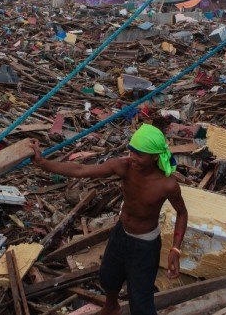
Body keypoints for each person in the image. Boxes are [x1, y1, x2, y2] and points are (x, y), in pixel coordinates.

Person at [30, 123, 188, 315]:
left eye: (140, 154)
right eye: (132, 151)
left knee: (140, 298)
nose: (133, 158)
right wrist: (43, 162)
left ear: (155, 156)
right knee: (108, 277)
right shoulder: (124, 167)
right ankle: (111, 307)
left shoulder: (167, 185)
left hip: (145, 246)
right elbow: (80, 169)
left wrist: (176, 248)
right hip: (121, 234)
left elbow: (182, 213)